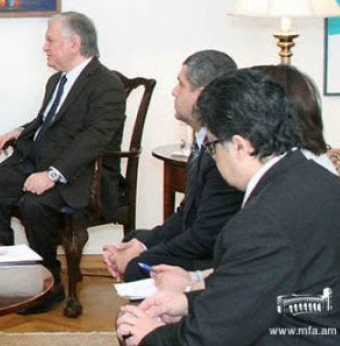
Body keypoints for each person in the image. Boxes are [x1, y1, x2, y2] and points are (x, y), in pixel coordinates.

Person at [116, 69, 340, 345]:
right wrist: (187, 301)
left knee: (130, 329)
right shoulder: (319, 179)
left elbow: (208, 337)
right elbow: (252, 291)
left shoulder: (262, 222)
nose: (214, 157)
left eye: (212, 147)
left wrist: (150, 335)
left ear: (240, 147)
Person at [0, 11, 126, 314]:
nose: (44, 47)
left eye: (50, 40)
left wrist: (52, 175)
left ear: (74, 43)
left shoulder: (106, 85)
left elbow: (93, 138)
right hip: (34, 160)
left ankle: (49, 284)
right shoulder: (57, 80)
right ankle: (4, 277)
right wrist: (22, 130)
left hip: (78, 174)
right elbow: (48, 120)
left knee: (35, 204)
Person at [152, 64, 340, 295]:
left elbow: (248, 290)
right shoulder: (310, 175)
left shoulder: (267, 213)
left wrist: (189, 290)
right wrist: (194, 280)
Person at [103, 50, 243, 282]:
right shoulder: (204, 139)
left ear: (202, 95)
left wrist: (142, 255)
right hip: (199, 241)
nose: (174, 91)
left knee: (137, 267)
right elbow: (186, 214)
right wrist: (141, 245)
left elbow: (204, 237)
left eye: (181, 84)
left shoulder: (224, 154)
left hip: (216, 257)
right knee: (133, 238)